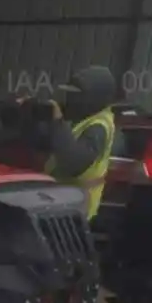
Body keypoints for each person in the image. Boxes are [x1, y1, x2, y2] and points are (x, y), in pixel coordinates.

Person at [36, 64, 119, 220]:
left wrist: (58, 123)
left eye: (77, 94)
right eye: (69, 93)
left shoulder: (99, 126)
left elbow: (73, 163)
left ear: (95, 96)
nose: (71, 99)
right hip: (62, 200)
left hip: (77, 205)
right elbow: (45, 144)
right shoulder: (81, 116)